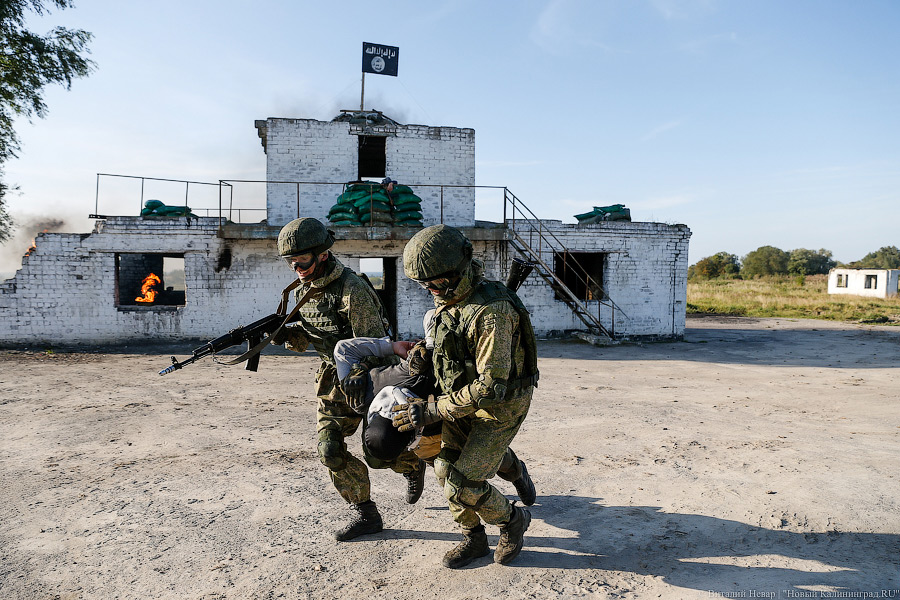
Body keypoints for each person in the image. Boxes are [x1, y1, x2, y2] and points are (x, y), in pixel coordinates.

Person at [393, 224, 540, 568]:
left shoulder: (492, 313)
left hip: (499, 408)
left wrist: (431, 410)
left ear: (457, 270)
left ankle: (512, 521)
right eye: (424, 284)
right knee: (444, 468)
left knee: (463, 484)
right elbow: (452, 345)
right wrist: (425, 353)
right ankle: (474, 538)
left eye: (435, 282)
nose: (430, 289)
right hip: (459, 399)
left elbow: (490, 387)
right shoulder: (449, 299)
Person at [271, 217, 426, 542]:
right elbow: (308, 340)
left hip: (369, 378)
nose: (296, 267)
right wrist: (285, 336)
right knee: (329, 450)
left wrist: (358, 377)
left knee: (378, 453)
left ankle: (411, 465)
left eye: (302, 259)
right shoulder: (303, 291)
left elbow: (373, 345)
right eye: (290, 261)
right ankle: (366, 514)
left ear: (322, 254)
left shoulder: (352, 290)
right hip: (332, 381)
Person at [331, 313, 536, 507]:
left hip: (452, 419)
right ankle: (417, 469)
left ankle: (517, 473)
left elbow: (432, 316)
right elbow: (342, 350)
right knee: (447, 475)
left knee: (490, 456)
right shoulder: (361, 397)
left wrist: (400, 347)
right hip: (426, 440)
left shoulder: (420, 372)